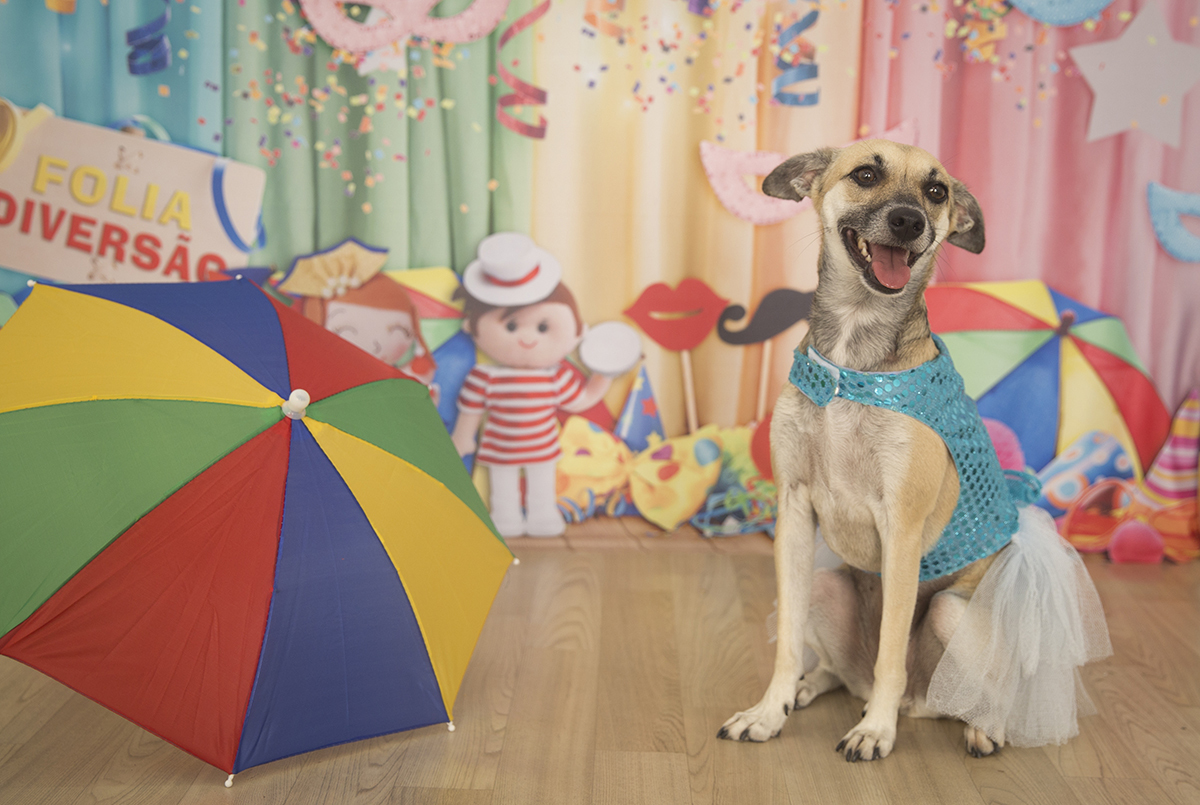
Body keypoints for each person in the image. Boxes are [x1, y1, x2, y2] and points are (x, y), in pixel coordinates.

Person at [451, 232, 611, 537]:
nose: (528, 337)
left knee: (542, 486)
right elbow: (469, 409)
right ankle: (505, 518)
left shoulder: (553, 376)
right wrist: (463, 438)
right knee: (504, 489)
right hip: (500, 449)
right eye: (511, 326)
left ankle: (542, 515)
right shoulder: (485, 377)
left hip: (543, 448)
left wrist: (604, 373)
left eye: (542, 326)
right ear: (473, 327)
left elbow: (579, 400)